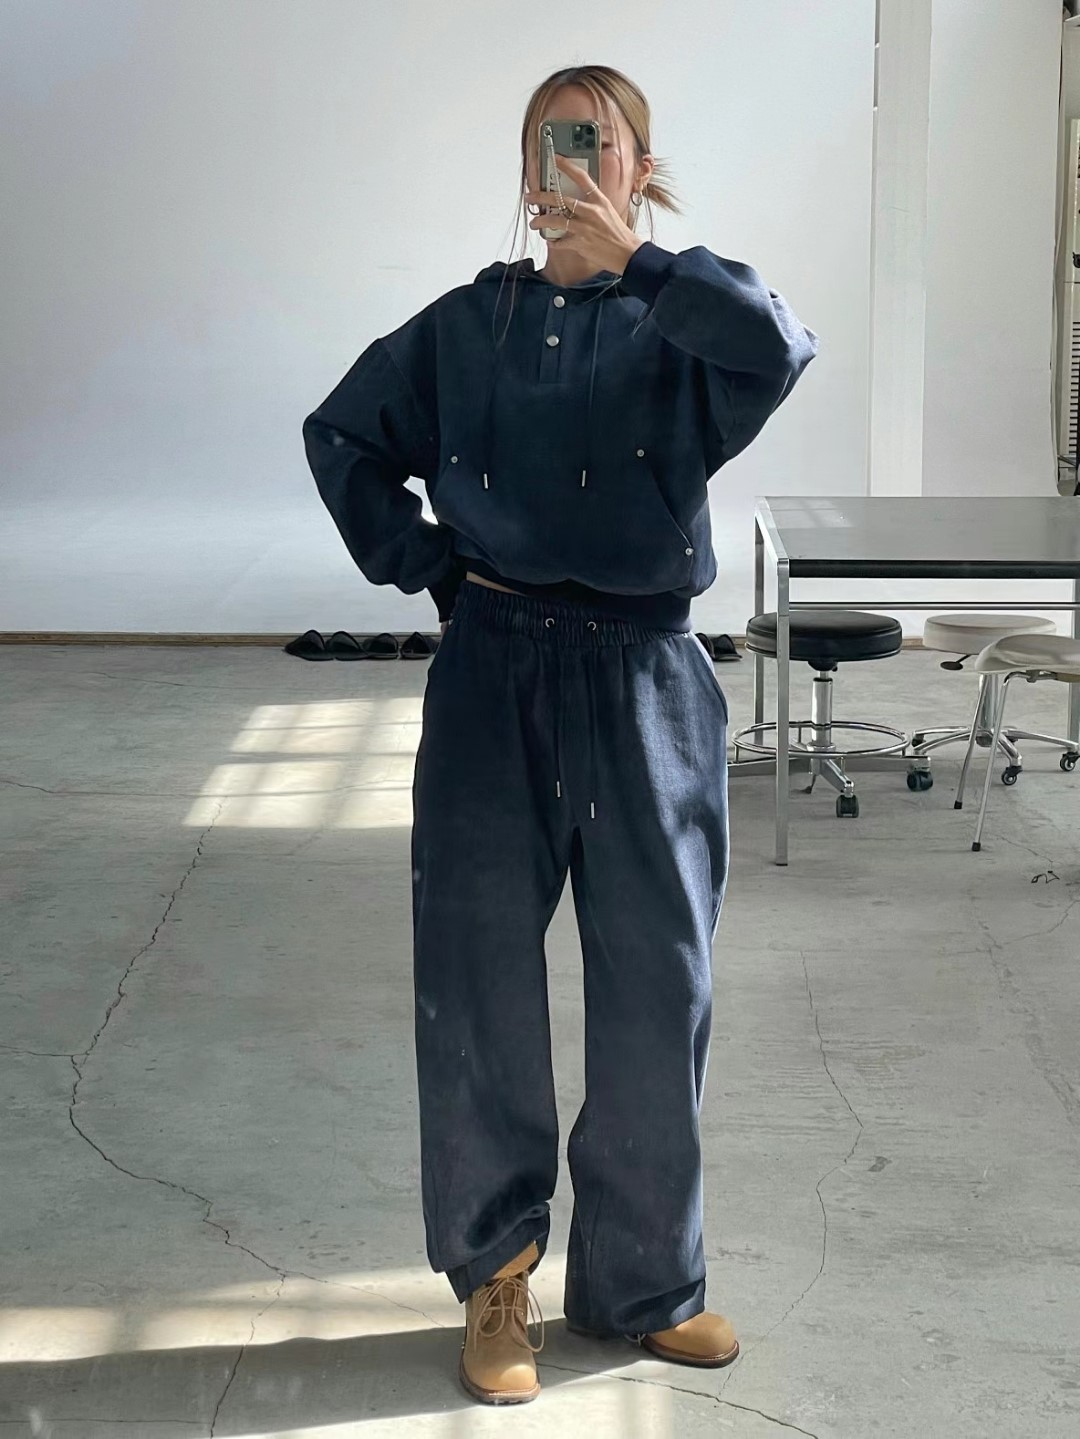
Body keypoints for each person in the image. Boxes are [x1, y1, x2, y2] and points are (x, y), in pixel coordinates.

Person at [303, 63, 818, 1407]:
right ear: (525, 169)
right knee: (476, 975)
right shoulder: (466, 326)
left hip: (647, 674)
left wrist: (641, 262)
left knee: (660, 983)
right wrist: (429, 565)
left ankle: (645, 1284)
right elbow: (343, 435)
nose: (574, 160)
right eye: (552, 141)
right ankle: (497, 1277)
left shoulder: (686, 322)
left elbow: (779, 346)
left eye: (599, 141)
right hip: (494, 670)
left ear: (641, 166)